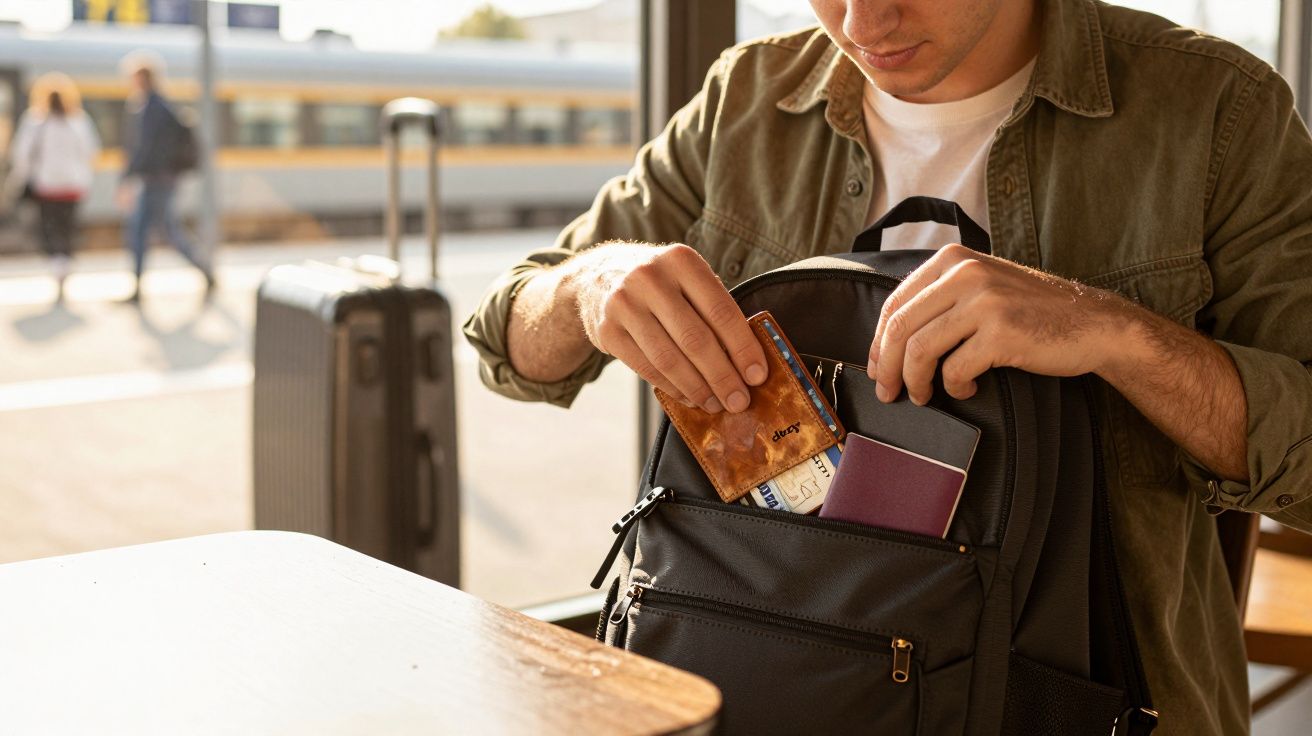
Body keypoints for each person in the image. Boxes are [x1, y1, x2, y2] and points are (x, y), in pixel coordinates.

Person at [463, 1, 1312, 733]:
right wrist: (588, 284)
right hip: (756, 691)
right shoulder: (746, 101)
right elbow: (508, 344)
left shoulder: (1216, 112)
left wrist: (1113, 333)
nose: (864, 25)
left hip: (1088, 706)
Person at [117, 51, 213, 304]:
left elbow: (144, 148)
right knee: (164, 230)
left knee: (148, 231)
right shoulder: (161, 105)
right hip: (163, 179)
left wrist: (127, 176)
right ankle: (204, 270)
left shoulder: (151, 108)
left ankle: (139, 288)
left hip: (156, 180)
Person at [4, 73, 101, 301]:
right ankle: (64, 267)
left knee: (49, 229)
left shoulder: (34, 121)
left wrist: (16, 181)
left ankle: (57, 267)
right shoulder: (79, 121)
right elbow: (90, 152)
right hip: (73, 186)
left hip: (46, 186)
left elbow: (22, 156)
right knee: (67, 228)